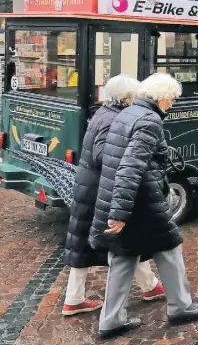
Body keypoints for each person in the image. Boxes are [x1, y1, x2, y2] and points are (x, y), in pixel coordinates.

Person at [89, 73, 198, 339]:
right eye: (173, 99)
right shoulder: (149, 120)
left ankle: (111, 320)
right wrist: (120, 214)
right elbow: (131, 166)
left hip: (123, 197)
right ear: (162, 97)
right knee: (169, 246)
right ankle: (180, 306)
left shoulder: (127, 113)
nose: (173, 104)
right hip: (144, 201)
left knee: (124, 255)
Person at [62, 74, 165, 316]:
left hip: (91, 188)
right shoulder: (114, 119)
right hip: (102, 190)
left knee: (83, 245)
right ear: (127, 98)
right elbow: (103, 155)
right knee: (127, 240)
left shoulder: (103, 112)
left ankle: (74, 299)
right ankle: (147, 288)